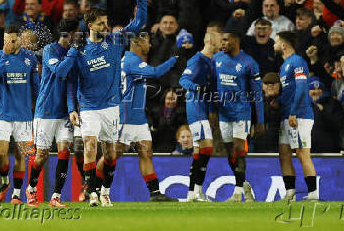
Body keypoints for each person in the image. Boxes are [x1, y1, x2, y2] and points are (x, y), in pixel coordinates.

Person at [67, 0, 147, 207]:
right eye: (101, 23)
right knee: (90, 146)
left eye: (106, 22)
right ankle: (91, 192)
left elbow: (138, 23)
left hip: (111, 107)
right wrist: (72, 108)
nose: (106, 25)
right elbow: (71, 80)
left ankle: (105, 191)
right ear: (90, 25)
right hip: (89, 106)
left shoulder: (115, 42)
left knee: (110, 155)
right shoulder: (80, 50)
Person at [95, 35, 178, 202]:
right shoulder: (132, 60)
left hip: (138, 117)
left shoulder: (130, 60)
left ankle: (155, 193)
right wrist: (173, 59)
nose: (150, 44)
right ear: (139, 43)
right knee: (112, 156)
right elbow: (155, 73)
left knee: (146, 153)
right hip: (126, 117)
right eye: (147, 41)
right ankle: (93, 188)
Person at [26, 19, 80, 207]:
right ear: (70, 34)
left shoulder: (74, 54)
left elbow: (71, 83)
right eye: (77, 33)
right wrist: (73, 52)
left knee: (65, 151)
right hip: (46, 111)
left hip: (64, 113)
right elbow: (60, 70)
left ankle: (56, 196)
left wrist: (72, 108)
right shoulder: (50, 50)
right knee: (42, 155)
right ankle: (31, 189)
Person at [0, 25, 40, 204]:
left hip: (24, 115)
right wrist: (4, 56)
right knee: (1, 154)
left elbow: (36, 87)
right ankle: (4, 180)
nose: (8, 43)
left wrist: (38, 107)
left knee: (20, 155)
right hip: (2, 114)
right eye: (5, 40)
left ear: (19, 40)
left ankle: (16, 194)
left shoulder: (30, 58)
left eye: (11, 40)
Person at [212, 31, 265, 202]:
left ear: (236, 40)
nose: (223, 43)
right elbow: (212, 84)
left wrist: (260, 121)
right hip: (223, 114)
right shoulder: (217, 59)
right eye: (222, 40)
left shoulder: (249, 63)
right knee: (230, 154)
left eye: (226, 40)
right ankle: (243, 185)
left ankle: (236, 193)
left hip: (241, 112)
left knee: (238, 149)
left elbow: (257, 94)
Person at [274, 31, 318, 201]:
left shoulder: (298, 61)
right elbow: (290, 91)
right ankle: (290, 193)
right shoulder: (284, 65)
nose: (274, 45)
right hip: (287, 115)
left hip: (299, 115)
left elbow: (301, 88)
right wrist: (278, 101)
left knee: (302, 153)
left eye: (276, 42)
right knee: (284, 153)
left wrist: (293, 111)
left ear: (284, 45)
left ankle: (313, 194)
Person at [179, 32, 220, 201]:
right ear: (211, 42)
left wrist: (211, 111)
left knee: (198, 151)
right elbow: (183, 80)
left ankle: (192, 193)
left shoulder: (211, 62)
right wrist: (196, 88)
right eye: (220, 40)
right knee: (207, 148)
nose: (222, 42)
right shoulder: (197, 60)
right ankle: (197, 191)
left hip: (203, 108)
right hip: (196, 107)